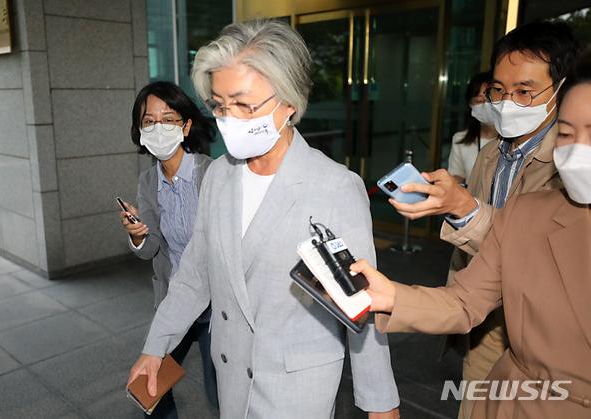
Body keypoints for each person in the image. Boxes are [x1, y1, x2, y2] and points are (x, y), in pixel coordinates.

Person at [127, 20, 400, 419]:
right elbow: (195, 273)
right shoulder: (219, 176)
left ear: (289, 102)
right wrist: (157, 346)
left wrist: (381, 405)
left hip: (296, 390)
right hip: (231, 376)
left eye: (244, 105)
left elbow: (361, 304)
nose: (229, 118)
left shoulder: (334, 186)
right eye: (219, 106)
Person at [350, 50, 591, 418]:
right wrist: (387, 296)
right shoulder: (528, 212)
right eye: (568, 134)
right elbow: (465, 302)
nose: (578, 151)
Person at [120, 81, 218, 419]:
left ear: (186, 126)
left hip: (215, 306)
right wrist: (137, 234)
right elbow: (150, 250)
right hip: (174, 299)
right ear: (140, 130)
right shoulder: (149, 182)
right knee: (152, 385)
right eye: (149, 121)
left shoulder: (213, 174)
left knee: (219, 392)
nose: (158, 128)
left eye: (168, 119)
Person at [448, 71, 498, 184]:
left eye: (490, 100)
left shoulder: (514, 141)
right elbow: (457, 178)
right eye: (479, 101)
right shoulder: (460, 139)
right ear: (470, 105)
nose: (485, 105)